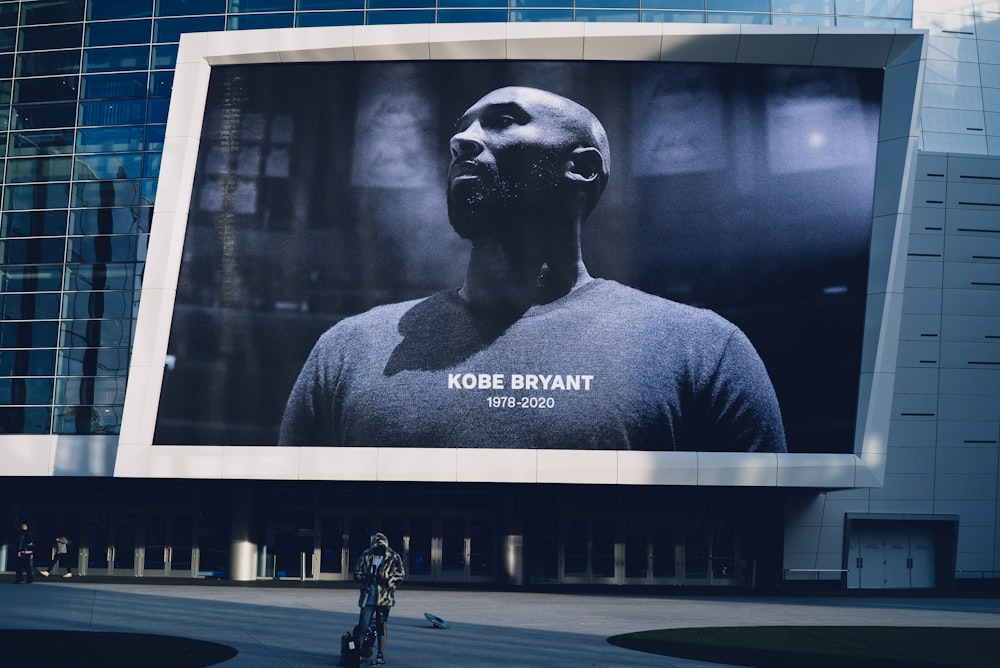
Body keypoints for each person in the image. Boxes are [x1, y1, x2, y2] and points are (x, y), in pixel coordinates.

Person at [279, 86, 787, 453]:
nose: (462, 141)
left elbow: (763, 538)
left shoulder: (702, 351)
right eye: (461, 128)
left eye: (502, 121)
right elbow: (287, 527)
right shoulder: (348, 349)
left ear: (583, 168)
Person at [352, 533, 405, 666]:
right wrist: (365, 578)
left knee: (381, 627)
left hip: (384, 599)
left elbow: (401, 574)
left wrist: (389, 581)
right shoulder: (366, 555)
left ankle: (380, 655)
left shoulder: (393, 556)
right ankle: (356, 653)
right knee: (363, 625)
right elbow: (356, 573)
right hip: (368, 598)